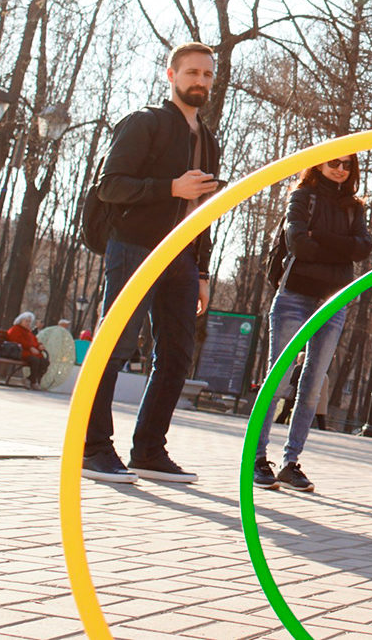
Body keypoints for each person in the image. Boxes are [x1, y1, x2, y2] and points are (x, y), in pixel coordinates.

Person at [83, 41, 221, 484]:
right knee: (117, 347)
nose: (199, 81)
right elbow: (110, 186)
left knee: (178, 355)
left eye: (207, 75)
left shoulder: (208, 139)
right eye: (192, 73)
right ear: (171, 76)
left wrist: (201, 271)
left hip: (181, 257)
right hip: (136, 247)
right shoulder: (145, 123)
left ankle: (148, 450)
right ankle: (93, 447)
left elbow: (205, 213)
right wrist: (170, 188)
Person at [253, 153, 371, 493]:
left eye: (347, 164)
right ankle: (257, 458)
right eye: (334, 161)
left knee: (312, 386)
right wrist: (341, 248)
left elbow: (362, 249)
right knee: (278, 379)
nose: (340, 168)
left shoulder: (354, 207)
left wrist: (322, 239)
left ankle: (291, 463)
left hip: (334, 300)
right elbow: (298, 244)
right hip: (296, 294)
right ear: (319, 163)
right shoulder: (302, 195)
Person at [5, 312, 49, 388]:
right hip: (19, 352)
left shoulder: (28, 331)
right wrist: (30, 347)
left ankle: (31, 379)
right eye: (26, 321)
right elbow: (16, 341)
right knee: (35, 360)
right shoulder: (15, 329)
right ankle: (33, 382)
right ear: (20, 321)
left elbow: (34, 341)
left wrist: (39, 346)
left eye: (29, 321)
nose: (28, 323)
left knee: (45, 361)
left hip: (29, 352)